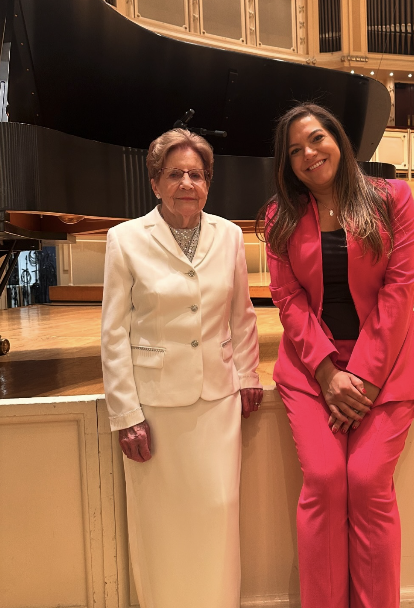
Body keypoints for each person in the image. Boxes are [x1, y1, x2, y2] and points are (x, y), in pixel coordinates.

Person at [258, 103, 414, 608]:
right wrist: (329, 374)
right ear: (287, 164)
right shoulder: (280, 216)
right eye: (295, 150)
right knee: (326, 480)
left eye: (316, 139)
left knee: (368, 481)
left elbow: (399, 290)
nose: (309, 154)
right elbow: (287, 298)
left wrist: (365, 380)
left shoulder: (392, 199)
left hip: (387, 364)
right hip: (314, 368)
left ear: (338, 140)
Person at [101, 128, 263, 608]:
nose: (187, 183)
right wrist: (125, 414)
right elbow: (114, 332)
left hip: (217, 403)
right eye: (175, 174)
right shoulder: (125, 239)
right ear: (155, 183)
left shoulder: (230, 235)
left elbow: (242, 314)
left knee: (219, 513)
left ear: (208, 182)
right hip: (155, 409)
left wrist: (248, 375)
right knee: (162, 524)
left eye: (197, 174)